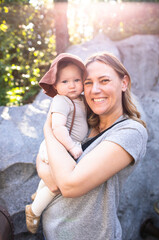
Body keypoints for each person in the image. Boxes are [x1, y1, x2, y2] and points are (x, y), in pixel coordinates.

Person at [36, 52, 148, 240]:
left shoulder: (130, 131)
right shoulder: (83, 125)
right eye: (88, 83)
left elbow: (68, 186)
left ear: (123, 82)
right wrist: (52, 175)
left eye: (104, 81)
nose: (94, 90)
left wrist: (49, 129)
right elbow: (47, 170)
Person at [25, 53, 88, 234]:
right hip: (59, 145)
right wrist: (73, 147)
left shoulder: (80, 100)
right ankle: (33, 211)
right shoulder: (61, 100)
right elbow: (58, 128)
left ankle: (38, 194)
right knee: (57, 185)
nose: (72, 85)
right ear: (55, 85)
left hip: (64, 146)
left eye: (77, 80)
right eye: (65, 82)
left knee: (51, 178)